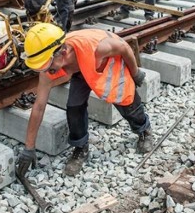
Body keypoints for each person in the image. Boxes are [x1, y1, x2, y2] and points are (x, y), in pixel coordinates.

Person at [16, 23, 154, 177]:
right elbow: (39, 106)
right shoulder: (49, 65)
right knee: (74, 108)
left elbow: (123, 47)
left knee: (125, 100)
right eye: (40, 68)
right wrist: (29, 148)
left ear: (63, 51)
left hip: (104, 62)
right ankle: (81, 147)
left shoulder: (98, 48)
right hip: (79, 69)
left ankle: (144, 130)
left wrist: (135, 73)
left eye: (47, 65)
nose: (46, 71)